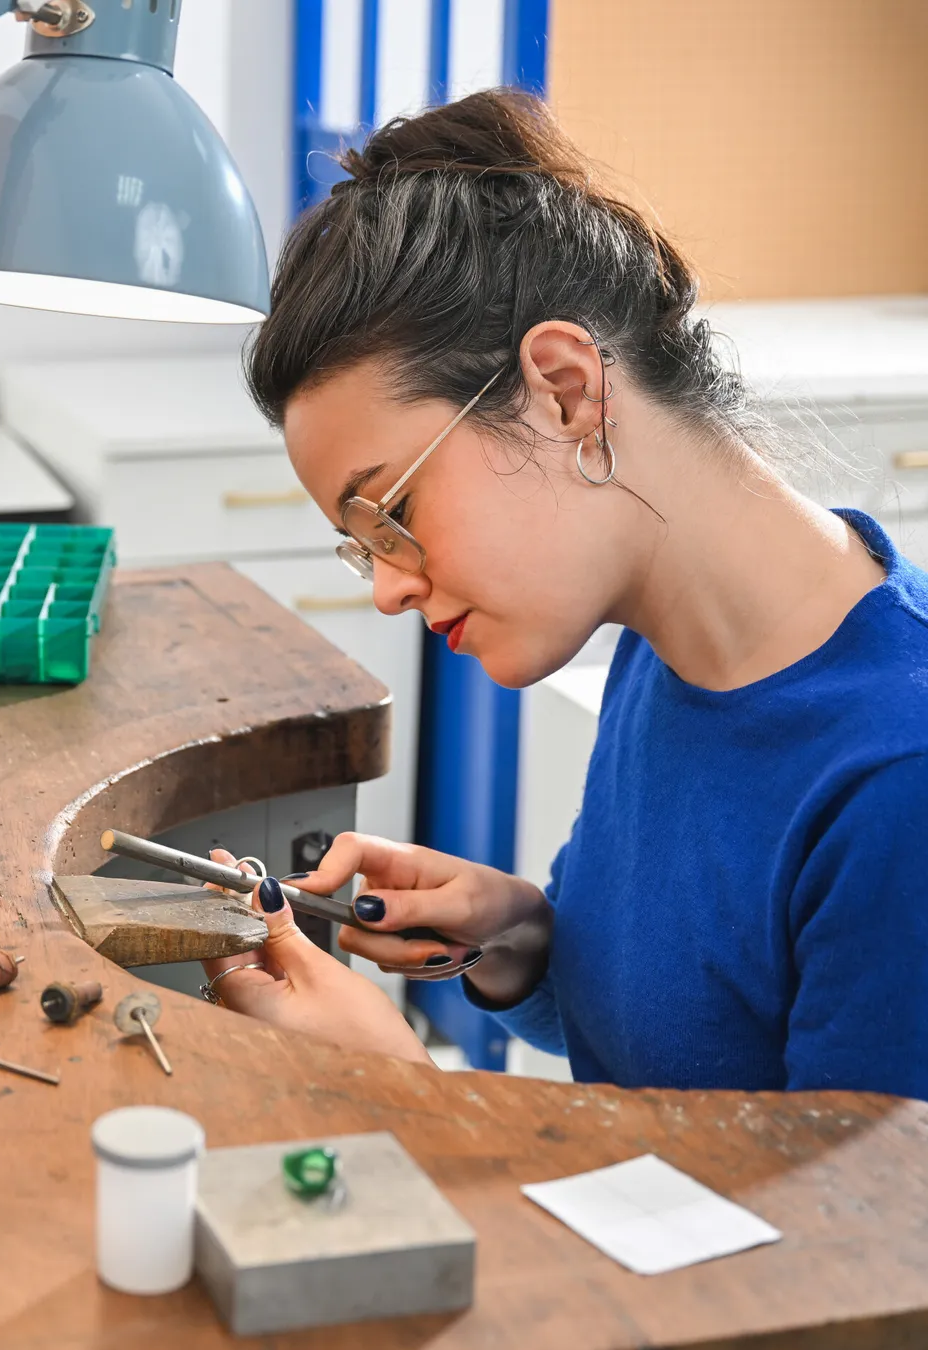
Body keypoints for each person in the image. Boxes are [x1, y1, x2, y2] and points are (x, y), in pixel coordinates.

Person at [199, 88, 928, 1102]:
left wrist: (412, 1097)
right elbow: (693, 1056)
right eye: (361, 549)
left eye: (391, 515)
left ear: (565, 389)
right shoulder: (666, 641)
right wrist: (524, 940)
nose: (389, 591)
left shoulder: (899, 778)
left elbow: (844, 1254)